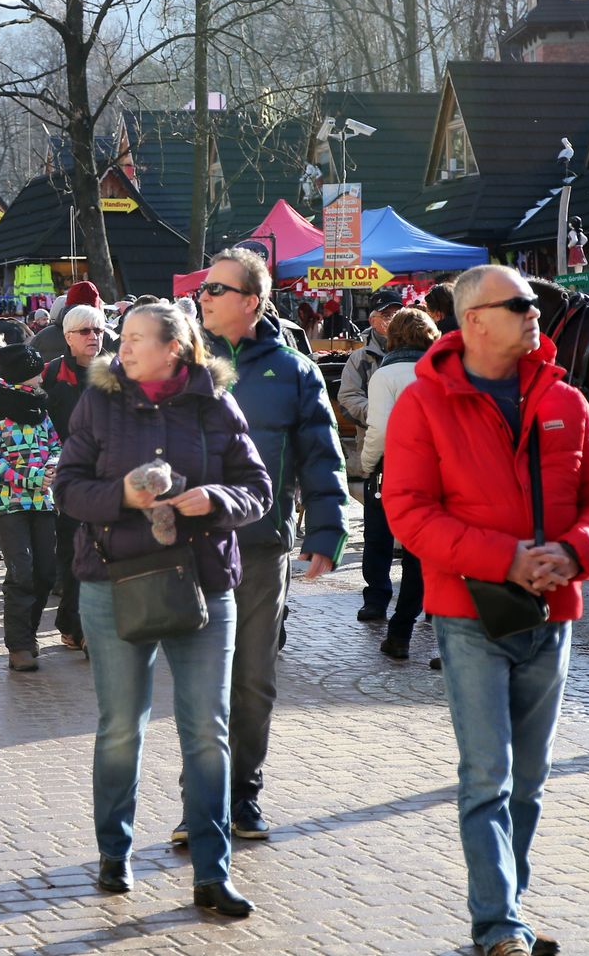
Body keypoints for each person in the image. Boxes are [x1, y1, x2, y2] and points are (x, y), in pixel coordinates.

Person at [383, 265, 589, 956]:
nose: (535, 313)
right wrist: (505, 558)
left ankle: (508, 909)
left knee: (530, 778)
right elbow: (408, 513)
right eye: (520, 304)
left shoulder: (565, 399)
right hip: (472, 612)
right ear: (475, 321)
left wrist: (577, 552)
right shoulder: (424, 404)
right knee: (486, 772)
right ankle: (498, 925)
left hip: (554, 611)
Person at [53, 302, 272, 916]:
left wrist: (214, 500)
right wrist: (120, 495)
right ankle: (113, 854)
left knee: (207, 730)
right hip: (112, 582)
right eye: (120, 339)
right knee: (122, 726)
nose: (121, 349)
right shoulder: (98, 400)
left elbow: (258, 490)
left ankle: (212, 871)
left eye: (134, 340)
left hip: (204, 584)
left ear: (175, 348)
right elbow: (65, 487)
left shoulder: (215, 402)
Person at [198, 248, 347, 842]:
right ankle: (200, 802)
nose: (203, 295)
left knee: (253, 676)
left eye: (216, 288)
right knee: (200, 680)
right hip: (192, 547)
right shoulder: (182, 363)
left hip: (262, 546)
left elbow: (321, 453)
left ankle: (244, 795)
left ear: (251, 301)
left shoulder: (293, 370)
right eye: (203, 287)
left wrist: (327, 531)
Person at [0, 345, 60, 671]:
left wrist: (53, 465)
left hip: (42, 504)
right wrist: (34, 477)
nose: (42, 377)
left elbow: (55, 445)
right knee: (21, 571)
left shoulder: (40, 408)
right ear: (25, 375)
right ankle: (19, 645)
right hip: (7, 504)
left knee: (46, 572)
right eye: (37, 371)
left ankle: (30, 632)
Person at [359, 308, 439, 661]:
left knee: (381, 536)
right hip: (439, 468)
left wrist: (366, 464)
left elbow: (379, 430)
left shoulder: (385, 373)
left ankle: (397, 629)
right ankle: (414, 624)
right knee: (421, 554)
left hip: (398, 468)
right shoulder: (440, 370)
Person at [43, 303, 107, 650]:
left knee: (100, 549)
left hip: (105, 475)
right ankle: (73, 623)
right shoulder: (52, 374)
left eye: (98, 331)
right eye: (85, 331)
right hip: (67, 475)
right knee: (71, 551)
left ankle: (85, 627)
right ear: (68, 337)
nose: (93, 337)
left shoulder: (114, 372)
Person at [340, 289, 403, 623]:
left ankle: (421, 599)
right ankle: (376, 598)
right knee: (377, 531)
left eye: (397, 312)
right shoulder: (361, 358)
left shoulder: (419, 353)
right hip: (377, 453)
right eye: (386, 314)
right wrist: (378, 413)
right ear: (374, 320)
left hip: (415, 453)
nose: (392, 319)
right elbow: (348, 396)